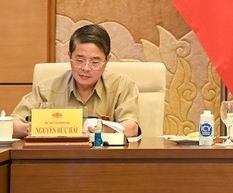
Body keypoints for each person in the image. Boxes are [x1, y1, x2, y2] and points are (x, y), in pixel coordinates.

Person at [11, 24, 141, 138]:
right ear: (69, 56)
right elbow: (12, 124)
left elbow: (131, 127)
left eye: (95, 62)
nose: (86, 68)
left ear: (107, 60)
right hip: (58, 159)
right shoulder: (46, 89)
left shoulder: (122, 86)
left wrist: (105, 131)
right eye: (79, 60)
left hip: (105, 161)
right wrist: (30, 128)